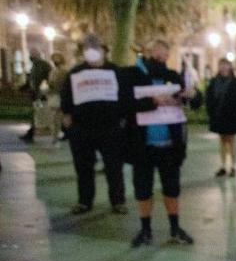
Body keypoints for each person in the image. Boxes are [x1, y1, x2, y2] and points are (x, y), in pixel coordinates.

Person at [120, 39, 202, 247]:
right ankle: (145, 229)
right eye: (158, 54)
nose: (162, 58)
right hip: (142, 145)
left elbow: (193, 101)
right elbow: (124, 105)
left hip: (169, 145)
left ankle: (175, 228)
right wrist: (153, 101)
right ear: (146, 51)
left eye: (165, 54)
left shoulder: (172, 76)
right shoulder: (131, 75)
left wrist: (192, 94)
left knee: (172, 188)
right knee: (143, 188)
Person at [61, 35, 126, 214]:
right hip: (82, 128)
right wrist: (67, 115)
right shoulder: (75, 72)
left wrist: (122, 117)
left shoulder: (115, 71)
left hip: (110, 127)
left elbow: (124, 96)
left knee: (114, 167)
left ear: (104, 51)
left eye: (96, 49)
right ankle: (85, 201)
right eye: (88, 49)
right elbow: (66, 95)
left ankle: (118, 201)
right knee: (83, 167)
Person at [206, 57, 236, 177]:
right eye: (221, 65)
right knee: (221, 140)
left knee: (231, 140)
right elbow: (209, 98)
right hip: (219, 116)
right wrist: (211, 113)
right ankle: (223, 165)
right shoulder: (214, 81)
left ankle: (233, 166)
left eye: (226, 65)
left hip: (232, 116)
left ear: (230, 66)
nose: (224, 67)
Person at [20, 51, 52, 142]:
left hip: (40, 95)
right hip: (36, 95)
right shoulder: (35, 65)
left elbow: (45, 79)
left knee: (38, 114)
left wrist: (43, 91)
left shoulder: (42, 65)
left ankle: (31, 133)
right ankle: (31, 132)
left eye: (32, 55)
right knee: (35, 113)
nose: (31, 57)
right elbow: (32, 79)